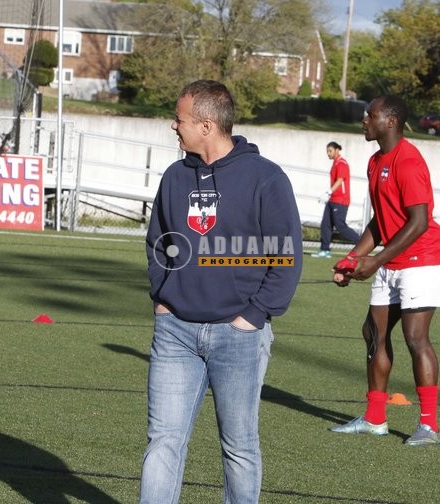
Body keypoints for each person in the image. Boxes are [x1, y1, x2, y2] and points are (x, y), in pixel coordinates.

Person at [141, 80, 303, 503]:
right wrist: (163, 298)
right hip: (175, 332)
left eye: (179, 119)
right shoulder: (175, 176)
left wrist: (254, 315)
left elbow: (285, 257)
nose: (173, 126)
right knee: (163, 441)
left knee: (238, 447)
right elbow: (158, 242)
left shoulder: (266, 178)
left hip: (239, 335)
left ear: (206, 126)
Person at [328, 95, 440, 447]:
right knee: (373, 332)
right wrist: (353, 259)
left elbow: (419, 221)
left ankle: (429, 426)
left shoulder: (408, 161)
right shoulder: (374, 161)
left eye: (371, 115)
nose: (364, 120)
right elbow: (380, 222)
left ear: (391, 121)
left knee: (415, 337)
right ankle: (374, 418)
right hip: (392, 260)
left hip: (423, 258)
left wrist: (375, 261)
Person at [311, 141, 361, 258]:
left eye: (330, 151)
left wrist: (328, 192)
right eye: (327, 151)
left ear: (337, 150)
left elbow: (340, 180)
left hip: (341, 200)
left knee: (340, 225)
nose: (328, 153)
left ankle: (361, 243)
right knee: (325, 224)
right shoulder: (335, 163)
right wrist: (329, 195)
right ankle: (324, 250)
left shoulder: (342, 163)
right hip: (333, 199)